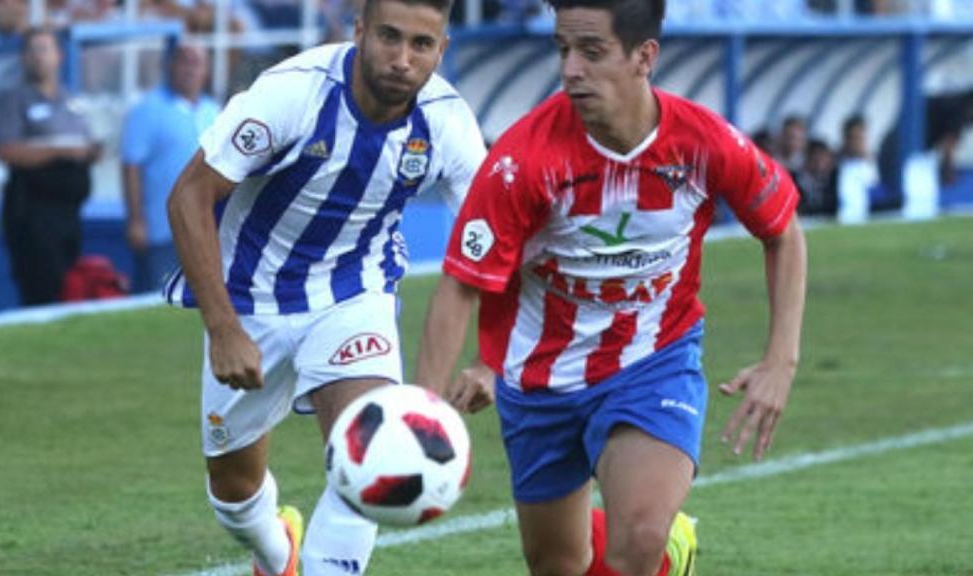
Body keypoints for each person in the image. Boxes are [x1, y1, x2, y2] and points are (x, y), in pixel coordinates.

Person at [416, 2, 807, 576]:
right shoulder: (522, 159)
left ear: (644, 57)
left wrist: (782, 359)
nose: (571, 69)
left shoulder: (703, 143)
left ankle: (659, 547)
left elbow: (783, 233)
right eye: (562, 50)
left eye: (591, 52)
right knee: (558, 564)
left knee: (640, 538)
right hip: (541, 378)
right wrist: (422, 413)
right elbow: (461, 285)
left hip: (653, 358)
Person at [164, 0, 485, 574]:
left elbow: (491, 242)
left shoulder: (447, 121)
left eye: (421, 44)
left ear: (442, 49)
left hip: (354, 293)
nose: (402, 59)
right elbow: (189, 194)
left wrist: (492, 357)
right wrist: (223, 326)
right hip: (249, 300)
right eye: (389, 36)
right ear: (358, 31)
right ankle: (278, 553)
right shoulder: (292, 93)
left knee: (372, 442)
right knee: (234, 493)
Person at [0, 26, 101, 306]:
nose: (38, 57)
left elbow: (87, 142)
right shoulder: (13, 100)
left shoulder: (71, 101)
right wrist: (59, 150)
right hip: (32, 209)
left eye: (44, 49)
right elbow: (6, 150)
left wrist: (88, 152)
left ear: (59, 55)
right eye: (32, 50)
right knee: (41, 287)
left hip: (69, 210)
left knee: (70, 284)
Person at [121, 44, 218, 294]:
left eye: (197, 63)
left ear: (206, 71)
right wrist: (136, 220)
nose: (190, 70)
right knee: (156, 297)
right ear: (170, 66)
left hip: (207, 228)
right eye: (184, 62)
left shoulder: (214, 110)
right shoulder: (147, 110)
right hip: (161, 228)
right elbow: (131, 166)